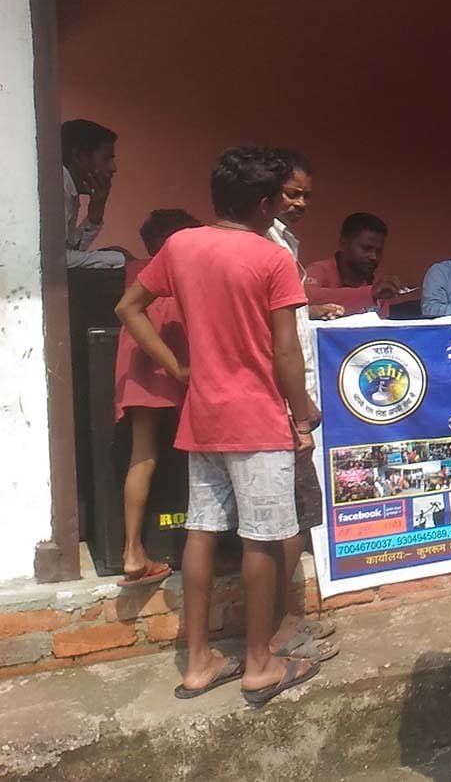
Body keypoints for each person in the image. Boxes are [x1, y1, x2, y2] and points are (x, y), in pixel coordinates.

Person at [115, 146, 320, 707]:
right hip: (258, 418)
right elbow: (284, 352)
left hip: (202, 414)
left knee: (201, 531)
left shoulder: (181, 245)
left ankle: (198, 661)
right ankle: (259, 663)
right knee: (263, 537)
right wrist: (302, 413)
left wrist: (177, 366)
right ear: (263, 203)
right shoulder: (272, 258)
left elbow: (129, 308)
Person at [265, 149, 338, 665]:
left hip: (294, 394)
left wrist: (312, 307)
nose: (300, 203)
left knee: (295, 515)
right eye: (292, 194)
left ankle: (286, 620)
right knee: (286, 520)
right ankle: (279, 629)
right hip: (284, 401)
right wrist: (299, 406)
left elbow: (285, 311)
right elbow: (276, 335)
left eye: (306, 195)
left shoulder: (284, 241)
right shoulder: (264, 244)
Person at [114, 209, 202, 586]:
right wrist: (178, 368)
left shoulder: (135, 271)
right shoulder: (184, 273)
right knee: (199, 454)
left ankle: (132, 550)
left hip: (139, 369)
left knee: (143, 456)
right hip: (179, 364)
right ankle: (209, 545)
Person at [305, 212, 407, 313]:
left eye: (379, 251)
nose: (374, 257)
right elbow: (306, 298)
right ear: (343, 244)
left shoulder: (377, 281)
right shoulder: (319, 270)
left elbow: (382, 320)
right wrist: (369, 293)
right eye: (366, 248)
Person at [62, 119, 125, 268]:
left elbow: (72, 252)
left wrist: (94, 215)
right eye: (106, 159)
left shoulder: (70, 189)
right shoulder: (56, 187)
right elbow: (56, 260)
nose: (113, 168)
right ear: (79, 157)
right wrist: (119, 259)